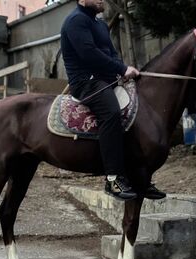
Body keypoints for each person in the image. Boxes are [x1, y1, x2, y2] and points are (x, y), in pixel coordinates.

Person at [61, 0, 166, 201]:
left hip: (107, 80)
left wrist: (123, 69)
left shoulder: (99, 24)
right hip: (86, 82)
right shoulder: (76, 21)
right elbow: (89, 55)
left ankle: (138, 178)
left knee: (134, 110)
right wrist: (120, 69)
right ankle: (112, 179)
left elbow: (110, 53)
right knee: (111, 112)